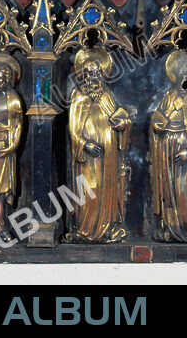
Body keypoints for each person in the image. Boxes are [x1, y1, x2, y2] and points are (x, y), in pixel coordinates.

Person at [67, 47, 131, 243]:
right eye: (89, 73)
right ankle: (85, 229)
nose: (93, 77)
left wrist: (123, 124)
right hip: (87, 157)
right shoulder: (78, 97)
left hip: (108, 155)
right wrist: (84, 144)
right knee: (89, 189)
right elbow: (73, 128)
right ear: (83, 75)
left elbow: (119, 117)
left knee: (105, 189)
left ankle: (105, 228)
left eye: (97, 73)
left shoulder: (107, 95)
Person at [150, 51, 187, 243]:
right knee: (169, 190)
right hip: (167, 145)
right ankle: (171, 228)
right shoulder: (170, 95)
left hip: (183, 146)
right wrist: (157, 123)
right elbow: (159, 114)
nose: (184, 82)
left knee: (184, 190)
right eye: (181, 78)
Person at [0, 53, 22, 245]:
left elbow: (16, 128)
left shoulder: (13, 100)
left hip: (2, 154)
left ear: (7, 80)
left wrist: (9, 147)